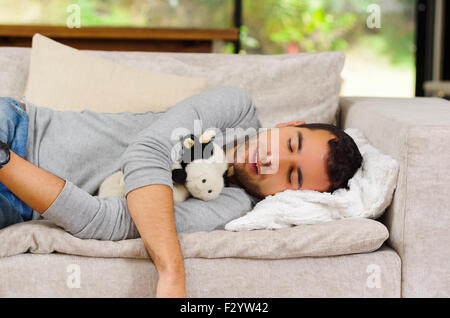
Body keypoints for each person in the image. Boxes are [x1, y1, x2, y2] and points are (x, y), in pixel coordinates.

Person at [0, 86, 362, 297]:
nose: (274, 161)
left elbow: (104, 222)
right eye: (292, 144)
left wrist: (3, 163)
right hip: (18, 127)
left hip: (19, 201)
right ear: (288, 125)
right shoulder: (235, 109)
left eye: (293, 175)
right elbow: (149, 151)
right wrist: (172, 272)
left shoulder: (230, 208)